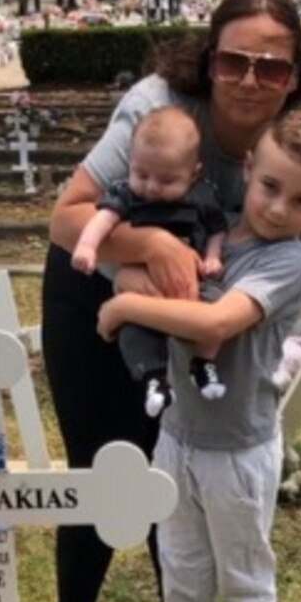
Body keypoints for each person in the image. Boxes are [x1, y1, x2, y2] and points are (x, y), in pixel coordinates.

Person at [42, 0, 301, 602]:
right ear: (208, 57)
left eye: (272, 67)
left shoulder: (285, 140)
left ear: (295, 77)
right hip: (92, 288)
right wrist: (150, 245)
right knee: (100, 457)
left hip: (189, 311)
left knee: (176, 461)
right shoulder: (159, 109)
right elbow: (65, 217)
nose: (251, 80)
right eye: (234, 61)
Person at [97, 111, 301, 602]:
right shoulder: (202, 237)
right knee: (181, 563)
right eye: (270, 187)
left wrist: (123, 305)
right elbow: (126, 256)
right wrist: (130, 275)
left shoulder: (287, 261)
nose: (281, 208)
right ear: (249, 172)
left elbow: (213, 325)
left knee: (243, 563)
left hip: (240, 446)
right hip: (177, 436)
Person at [72, 105, 229, 417]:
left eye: (167, 180)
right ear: (130, 164)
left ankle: (203, 363)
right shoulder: (128, 195)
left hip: (191, 285)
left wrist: (212, 256)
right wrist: (87, 248)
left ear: (194, 174)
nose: (152, 187)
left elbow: (217, 229)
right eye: (141, 174)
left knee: (217, 313)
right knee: (133, 332)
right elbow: (102, 220)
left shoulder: (201, 196)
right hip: (142, 285)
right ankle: (155, 380)